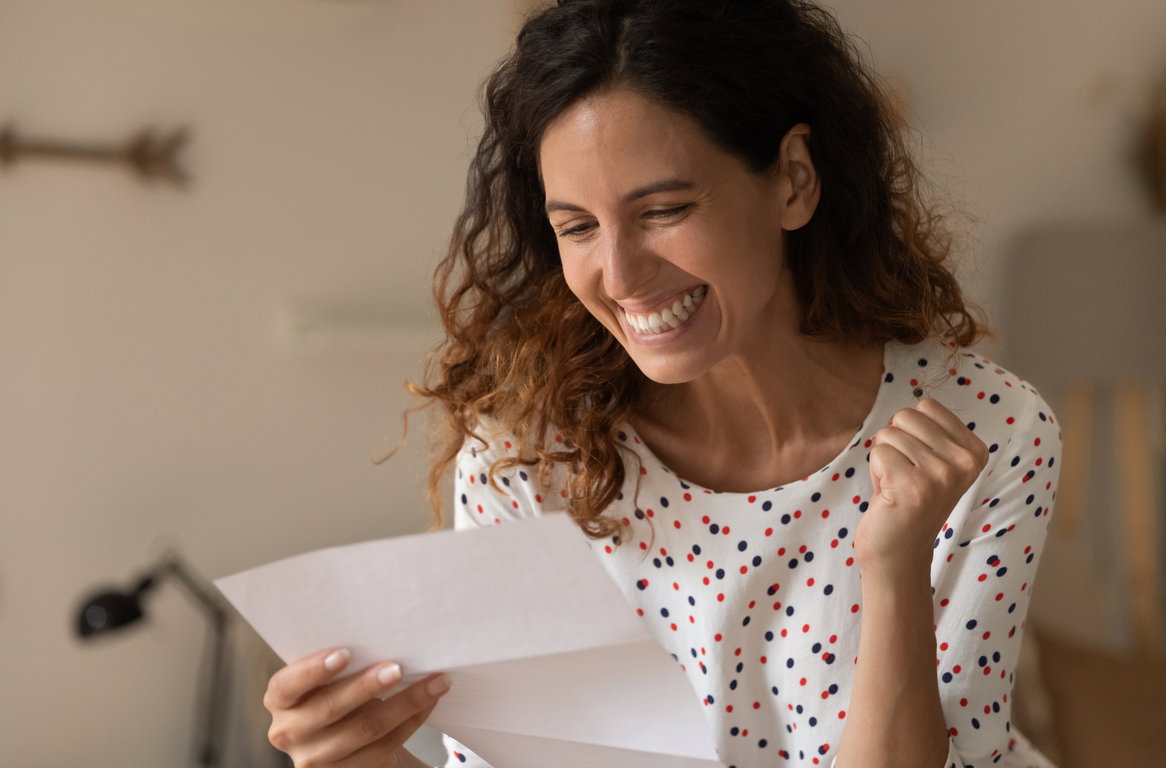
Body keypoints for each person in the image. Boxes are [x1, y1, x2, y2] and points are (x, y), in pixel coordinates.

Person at [263, 1, 1062, 767]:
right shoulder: (528, 457)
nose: (619, 274)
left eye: (664, 209)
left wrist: (892, 570)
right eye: (577, 226)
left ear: (791, 180)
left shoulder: (982, 430)